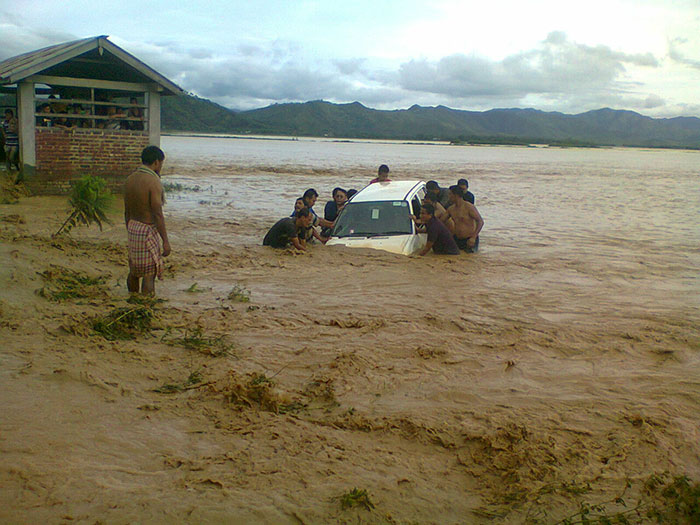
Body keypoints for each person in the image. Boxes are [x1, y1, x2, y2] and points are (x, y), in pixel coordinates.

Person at [124, 145, 171, 295]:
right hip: (146, 230)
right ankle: (146, 304)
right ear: (156, 162)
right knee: (149, 273)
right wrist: (165, 241)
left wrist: (129, 229)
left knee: (134, 271)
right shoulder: (153, 181)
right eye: (161, 164)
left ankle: (132, 298)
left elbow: (127, 211)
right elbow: (157, 213)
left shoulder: (130, 179)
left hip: (132, 227)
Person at [446, 185, 484, 253]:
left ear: (456, 195)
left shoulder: (469, 207)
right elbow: (441, 221)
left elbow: (480, 222)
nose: (448, 196)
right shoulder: (451, 209)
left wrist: (473, 237)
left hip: (469, 239)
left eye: (450, 194)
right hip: (457, 239)